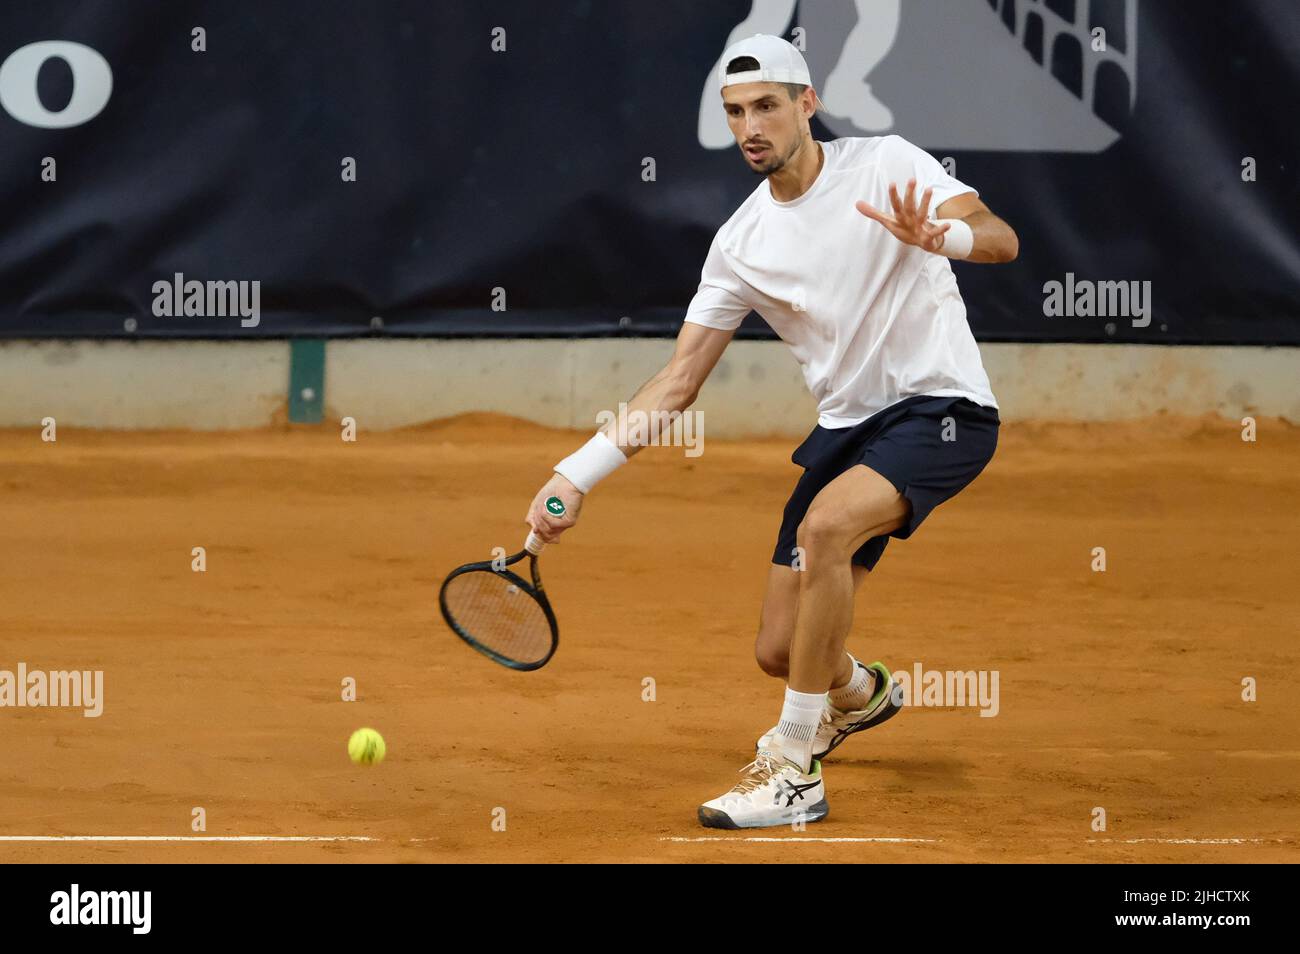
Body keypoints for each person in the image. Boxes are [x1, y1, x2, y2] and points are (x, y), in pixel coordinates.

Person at [525, 34, 1019, 829]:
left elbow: (1001, 235)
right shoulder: (740, 243)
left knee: (826, 527)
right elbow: (678, 381)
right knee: (782, 653)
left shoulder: (888, 162)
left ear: (806, 105)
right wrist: (574, 474)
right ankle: (857, 695)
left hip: (944, 409)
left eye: (765, 107)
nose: (749, 126)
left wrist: (945, 238)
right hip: (845, 430)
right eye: (734, 113)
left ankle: (794, 768)